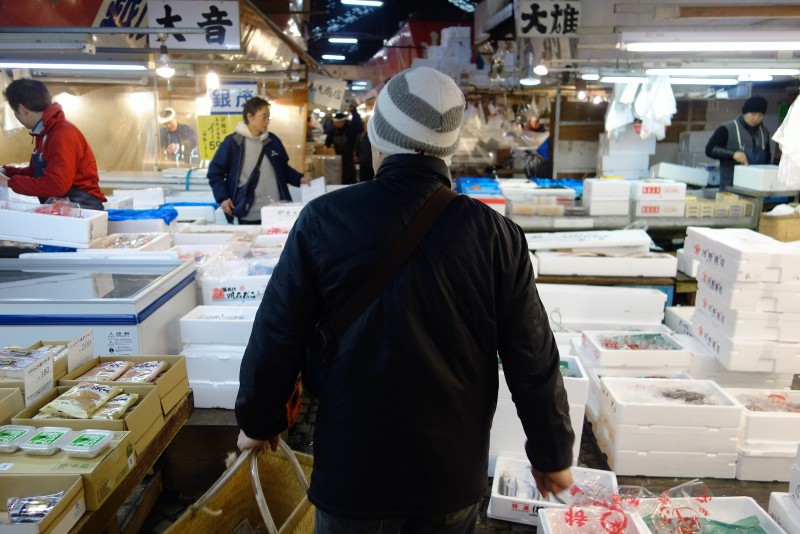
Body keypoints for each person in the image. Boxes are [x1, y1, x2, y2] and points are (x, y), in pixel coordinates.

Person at [235, 66, 574, 533]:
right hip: (451, 478)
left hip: (353, 476)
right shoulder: (497, 236)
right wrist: (552, 453)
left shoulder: (323, 221)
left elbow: (277, 335)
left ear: (378, 140)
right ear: (448, 150)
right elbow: (533, 358)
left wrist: (258, 420)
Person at [0, 78, 105, 210]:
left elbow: (57, 185)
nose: (16, 116)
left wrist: (9, 182)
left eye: (15, 112)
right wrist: (6, 172)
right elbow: (35, 173)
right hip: (65, 208)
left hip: (81, 209)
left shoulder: (61, 134)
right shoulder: (45, 133)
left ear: (23, 109)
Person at [207, 97, 311, 225]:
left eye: (269, 117)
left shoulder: (272, 141)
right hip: (248, 211)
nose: (267, 121)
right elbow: (214, 173)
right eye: (263, 117)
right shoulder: (233, 143)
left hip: (277, 210)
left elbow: (283, 169)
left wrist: (300, 179)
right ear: (250, 117)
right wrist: (223, 199)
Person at [705, 96, 771, 191]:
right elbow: (709, 150)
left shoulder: (764, 132)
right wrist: (733, 154)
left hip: (756, 187)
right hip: (731, 186)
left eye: (760, 115)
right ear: (745, 112)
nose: (756, 118)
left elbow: (767, 157)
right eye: (753, 114)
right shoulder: (727, 128)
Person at [324, 104, 363, 184]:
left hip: (349, 156)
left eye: (339, 122)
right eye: (336, 123)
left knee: (349, 174)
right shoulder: (333, 129)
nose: (337, 124)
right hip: (338, 156)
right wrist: (326, 145)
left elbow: (356, 141)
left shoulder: (350, 128)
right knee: (339, 173)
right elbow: (329, 139)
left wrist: (356, 153)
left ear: (343, 121)